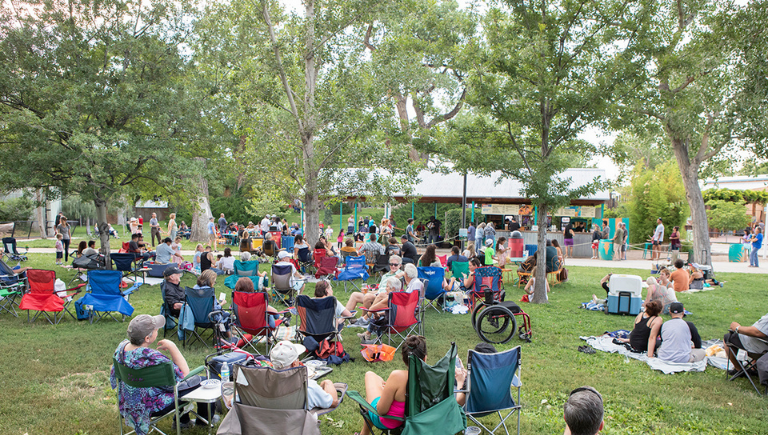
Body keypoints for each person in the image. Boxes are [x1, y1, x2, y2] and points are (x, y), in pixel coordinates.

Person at [110, 314, 216, 434]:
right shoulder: (152, 357)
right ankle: (202, 421)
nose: (158, 330)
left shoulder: (121, 349)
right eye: (156, 329)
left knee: (176, 386)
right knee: (200, 380)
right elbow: (185, 375)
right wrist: (173, 346)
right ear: (147, 338)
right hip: (151, 405)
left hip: (129, 402)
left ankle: (183, 420)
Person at [356, 335, 466, 435]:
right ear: (425, 357)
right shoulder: (433, 379)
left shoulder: (398, 377)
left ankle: (364, 433)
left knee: (370, 375)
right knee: (380, 384)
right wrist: (460, 382)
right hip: (420, 420)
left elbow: (381, 411)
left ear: (403, 358)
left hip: (390, 421)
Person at [269, 341, 341, 409]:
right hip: (298, 421)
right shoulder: (308, 387)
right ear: (294, 364)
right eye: (298, 358)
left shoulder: (264, 385)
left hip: (268, 421)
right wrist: (327, 383)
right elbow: (333, 402)